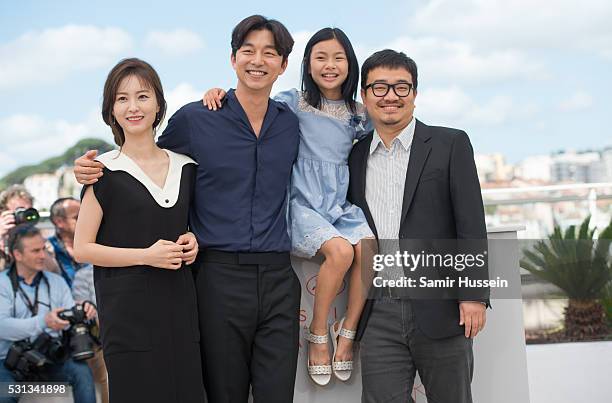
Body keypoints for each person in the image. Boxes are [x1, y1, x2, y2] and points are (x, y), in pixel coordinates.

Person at [75, 15, 300, 403]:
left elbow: (176, 193)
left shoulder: (292, 123)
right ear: (232, 59)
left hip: (280, 275)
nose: (257, 60)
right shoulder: (197, 119)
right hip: (217, 278)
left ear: (283, 64)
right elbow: (143, 159)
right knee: (219, 392)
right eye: (248, 51)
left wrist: (191, 235)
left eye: (269, 53)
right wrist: (85, 168)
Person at [203, 27, 375, 385]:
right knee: (341, 253)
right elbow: (250, 98)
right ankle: (317, 335)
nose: (330, 65)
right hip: (302, 204)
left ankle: (348, 331)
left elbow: (391, 126)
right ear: (306, 65)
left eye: (338, 57)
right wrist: (218, 91)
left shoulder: (359, 113)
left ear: (350, 64)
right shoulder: (292, 101)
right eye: (320, 57)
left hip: (337, 204)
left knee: (370, 249)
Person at [347, 50, 489, 403]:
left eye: (401, 87)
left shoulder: (450, 143)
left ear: (414, 93)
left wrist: (473, 294)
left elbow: (470, 223)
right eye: (379, 87)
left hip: (440, 304)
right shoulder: (354, 155)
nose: (390, 96)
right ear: (364, 96)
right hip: (379, 308)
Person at [72, 58, 204, 403]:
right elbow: (82, 248)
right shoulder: (103, 171)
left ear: (158, 104)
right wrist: (146, 256)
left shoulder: (186, 166)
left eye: (142, 96)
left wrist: (193, 240)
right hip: (128, 315)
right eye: (121, 98)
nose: (133, 107)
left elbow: (190, 225)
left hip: (180, 308)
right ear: (111, 110)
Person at [0, 225, 96, 403]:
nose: (43, 255)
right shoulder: (3, 283)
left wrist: (82, 311)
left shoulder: (56, 282)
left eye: (43, 248)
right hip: (9, 362)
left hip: (50, 358)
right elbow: (2, 327)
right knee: (4, 395)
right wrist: (44, 321)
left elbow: (69, 318)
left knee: (81, 372)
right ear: (17, 255)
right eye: (35, 251)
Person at [48, 197, 109, 403]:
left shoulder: (98, 240)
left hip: (96, 314)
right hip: (69, 323)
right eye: (77, 216)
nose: (85, 218)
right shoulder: (46, 251)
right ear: (59, 222)